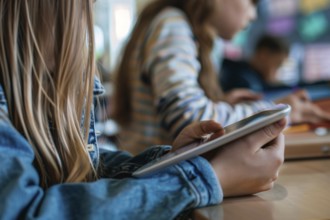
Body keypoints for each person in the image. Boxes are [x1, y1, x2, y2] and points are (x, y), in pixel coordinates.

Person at [0, 0, 287, 219]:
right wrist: (202, 177)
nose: (252, 13)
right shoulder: (173, 23)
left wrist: (175, 161)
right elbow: (188, 114)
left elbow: (81, 169)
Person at [112, 0, 330, 155]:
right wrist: (275, 111)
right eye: (252, 2)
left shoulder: (183, 28)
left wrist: (221, 105)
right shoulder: (173, 24)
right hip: (156, 185)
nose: (254, 15)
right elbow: (189, 120)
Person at [221, 34, 290, 93]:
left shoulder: (254, 79)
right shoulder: (246, 82)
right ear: (264, 55)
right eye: (277, 64)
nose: (277, 72)